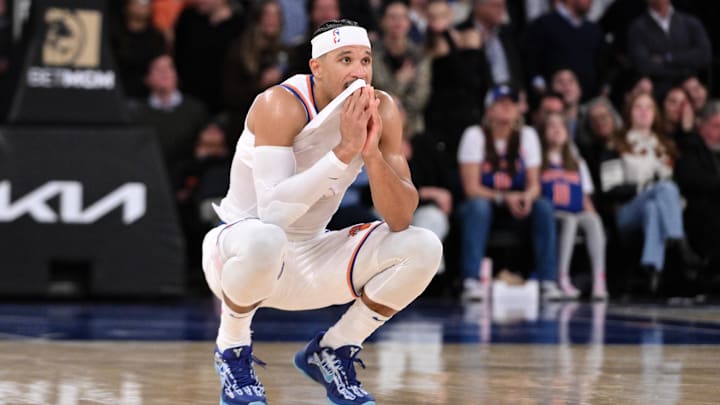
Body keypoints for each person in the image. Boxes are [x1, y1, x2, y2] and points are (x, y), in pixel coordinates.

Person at [201, 19, 442, 405]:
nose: (358, 71)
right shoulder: (279, 104)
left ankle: (334, 349)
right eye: (345, 59)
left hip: (310, 260)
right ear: (317, 68)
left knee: (424, 246)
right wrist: (343, 151)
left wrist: (371, 154)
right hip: (240, 252)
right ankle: (231, 349)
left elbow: (400, 218)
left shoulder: (382, 108)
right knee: (267, 237)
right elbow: (275, 214)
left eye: (365, 60)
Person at [457, 84, 565, 301]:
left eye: (512, 103)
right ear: (489, 109)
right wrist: (504, 198)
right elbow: (471, 189)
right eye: (501, 103)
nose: (507, 108)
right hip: (485, 205)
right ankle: (471, 279)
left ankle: (548, 281)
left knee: (543, 206)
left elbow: (535, 184)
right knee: (478, 206)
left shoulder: (528, 136)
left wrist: (527, 197)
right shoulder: (474, 135)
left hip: (517, 208)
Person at [599, 92, 702, 292]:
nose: (644, 112)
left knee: (653, 207)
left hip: (655, 208)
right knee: (665, 187)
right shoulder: (616, 144)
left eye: (648, 107)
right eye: (638, 107)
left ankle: (651, 270)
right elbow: (609, 188)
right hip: (626, 211)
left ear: (655, 113)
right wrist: (645, 187)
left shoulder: (665, 145)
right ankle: (679, 241)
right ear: (629, 112)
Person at [539, 112, 608, 300]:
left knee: (593, 220)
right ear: (543, 132)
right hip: (554, 213)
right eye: (551, 125)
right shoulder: (539, 162)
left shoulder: (577, 163)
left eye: (560, 125)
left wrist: (592, 215)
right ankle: (562, 276)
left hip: (576, 210)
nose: (556, 129)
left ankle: (599, 279)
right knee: (569, 221)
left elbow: (586, 197)